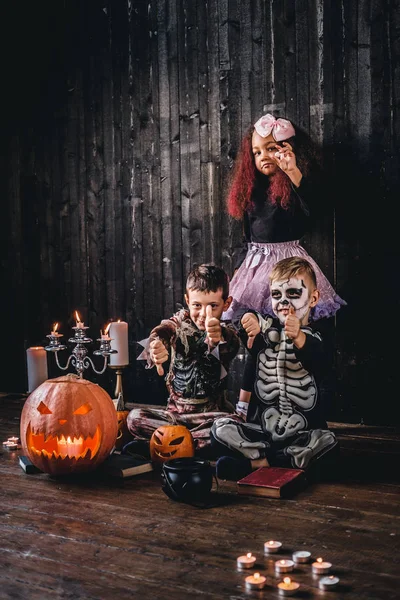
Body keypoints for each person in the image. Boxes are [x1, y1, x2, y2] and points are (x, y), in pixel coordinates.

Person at [222, 112, 346, 421]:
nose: (263, 156)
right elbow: (245, 237)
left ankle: (304, 404)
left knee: (291, 334)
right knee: (257, 338)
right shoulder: (250, 189)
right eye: (257, 151)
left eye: (271, 148)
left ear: (287, 149)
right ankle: (245, 407)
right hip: (255, 266)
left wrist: (293, 173)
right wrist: (238, 272)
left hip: (288, 267)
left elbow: (314, 210)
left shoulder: (294, 184)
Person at [211, 257, 339, 481]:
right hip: (264, 433)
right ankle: (280, 461)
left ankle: (256, 464)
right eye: (276, 295)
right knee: (219, 429)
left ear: (314, 298)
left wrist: (299, 336)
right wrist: (247, 319)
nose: (283, 302)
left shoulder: (318, 338)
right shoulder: (265, 335)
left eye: (293, 293)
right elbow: (246, 325)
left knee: (328, 443)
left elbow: (320, 359)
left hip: (304, 432)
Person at [126, 264, 242, 456]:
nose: (205, 314)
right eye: (197, 305)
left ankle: (163, 445)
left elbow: (230, 343)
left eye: (213, 306)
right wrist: (156, 344)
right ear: (187, 300)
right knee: (134, 418)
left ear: (227, 304)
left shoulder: (227, 332)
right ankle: (188, 445)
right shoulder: (179, 323)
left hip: (209, 417)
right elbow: (163, 330)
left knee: (232, 426)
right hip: (175, 418)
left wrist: (218, 335)